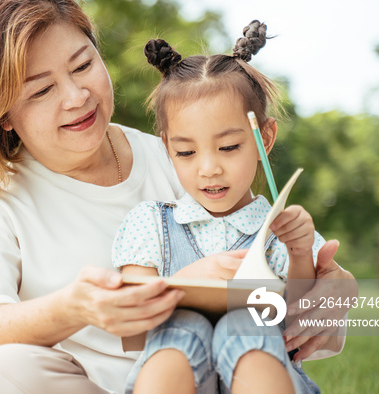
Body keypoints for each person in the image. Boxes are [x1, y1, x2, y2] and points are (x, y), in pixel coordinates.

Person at [0, 1, 357, 393]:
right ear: (2, 112)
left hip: (219, 375)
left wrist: (336, 289)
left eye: (82, 66)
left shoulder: (185, 157)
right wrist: (75, 307)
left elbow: (279, 262)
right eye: (41, 90)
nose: (77, 97)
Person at [112, 21, 337, 394]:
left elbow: (303, 320)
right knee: (181, 329)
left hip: (266, 370)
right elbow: (131, 325)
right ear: (167, 147)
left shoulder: (280, 230)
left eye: (229, 147)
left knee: (247, 325)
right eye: (186, 152)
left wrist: (299, 254)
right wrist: (188, 282)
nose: (209, 168)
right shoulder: (149, 224)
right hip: (178, 376)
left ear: (264, 137)